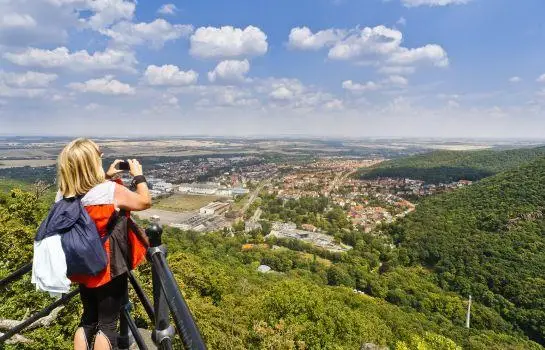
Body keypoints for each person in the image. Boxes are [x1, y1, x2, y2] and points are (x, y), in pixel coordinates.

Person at [55, 138, 151, 350]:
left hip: (81, 263)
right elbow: (144, 201)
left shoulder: (63, 194)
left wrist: (106, 176)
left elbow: (86, 193)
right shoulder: (108, 191)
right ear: (91, 163)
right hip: (107, 265)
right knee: (107, 324)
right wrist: (138, 175)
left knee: (88, 318)